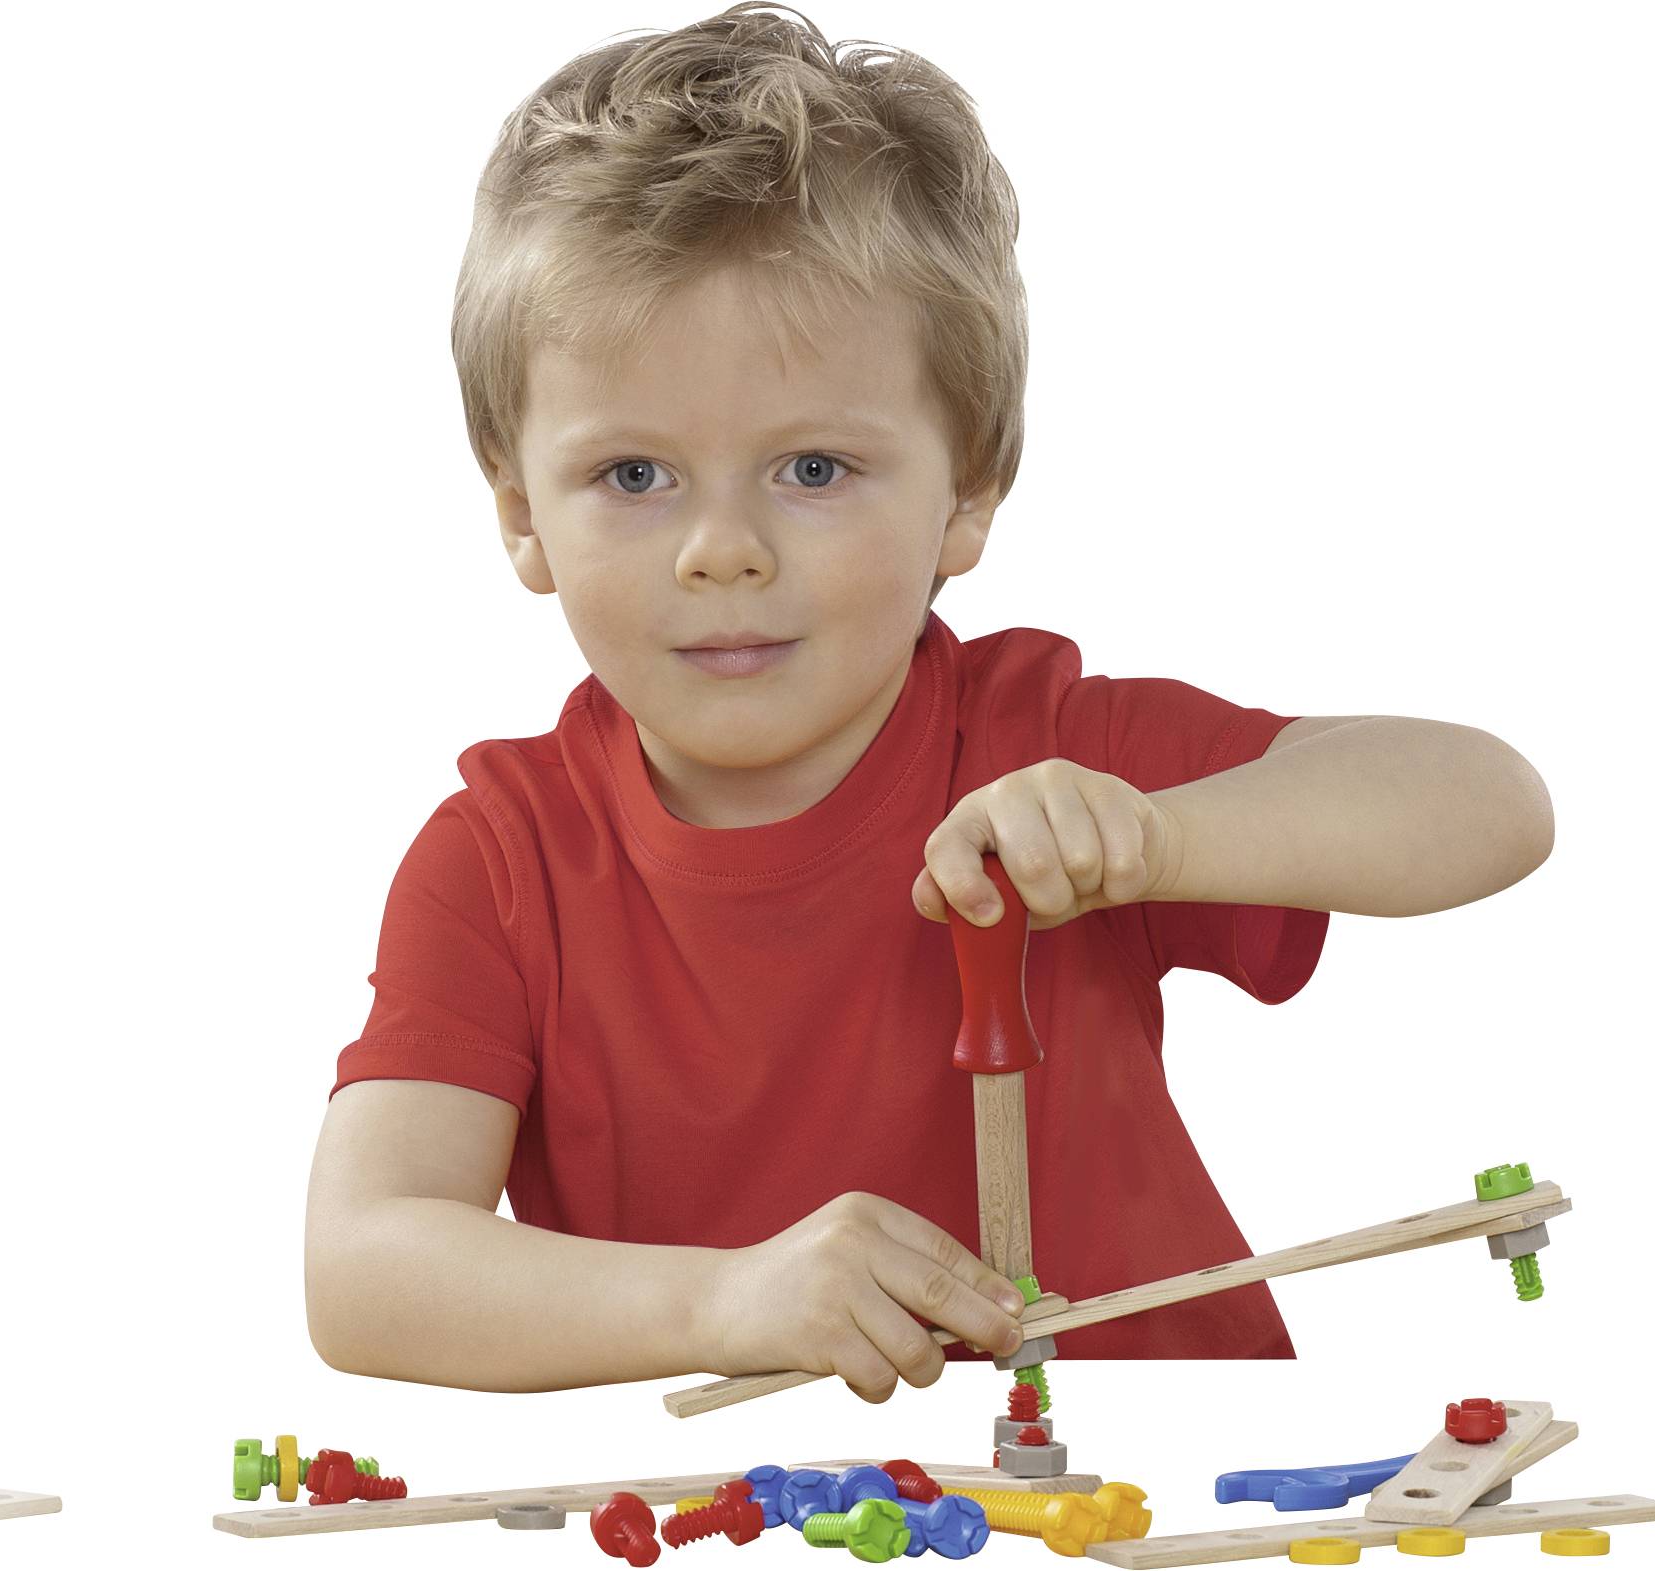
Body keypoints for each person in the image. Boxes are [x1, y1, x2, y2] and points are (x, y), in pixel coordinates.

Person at [304, 2, 1553, 1398]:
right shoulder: (501, 858)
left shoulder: (1047, 747)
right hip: (756, 1511)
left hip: (1174, 1478)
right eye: (635, 476)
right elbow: (365, 1269)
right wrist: (728, 1302)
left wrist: (1154, 839)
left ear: (965, 492)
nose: (723, 549)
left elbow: (1490, 806)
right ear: (519, 512)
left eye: (815, 469)